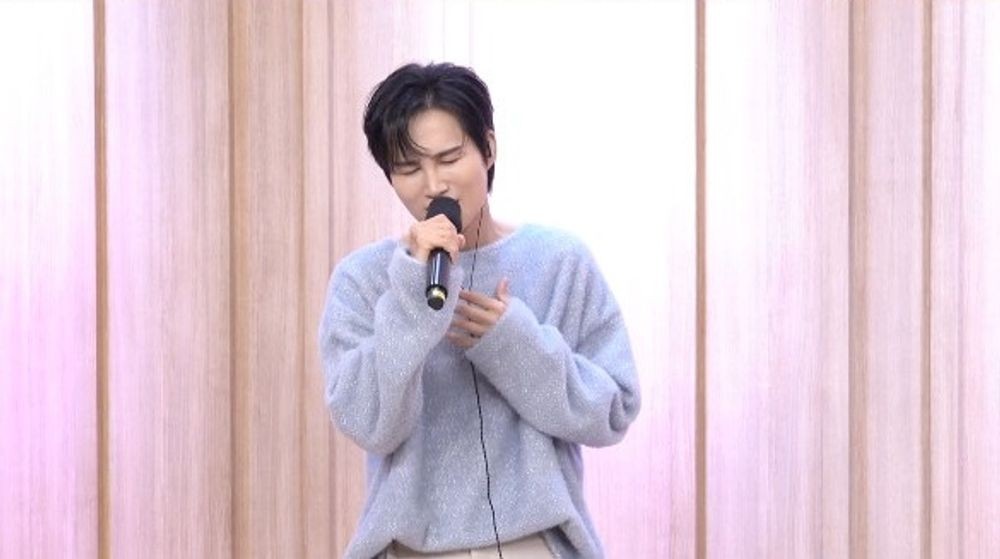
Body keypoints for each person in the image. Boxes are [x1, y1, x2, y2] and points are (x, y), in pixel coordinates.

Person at [318, 62, 641, 559]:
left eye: (449, 158)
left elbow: (612, 412)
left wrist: (515, 344)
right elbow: (370, 424)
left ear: (488, 149)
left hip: (533, 545)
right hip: (410, 549)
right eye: (409, 169)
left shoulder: (559, 261)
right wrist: (411, 295)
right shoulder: (364, 279)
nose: (433, 185)